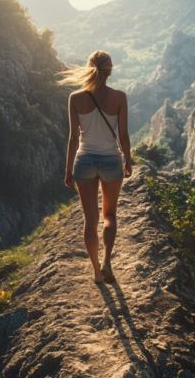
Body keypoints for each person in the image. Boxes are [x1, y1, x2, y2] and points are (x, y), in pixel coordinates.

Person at [58, 50, 132, 284]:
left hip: (85, 161)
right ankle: (107, 262)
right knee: (109, 215)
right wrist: (128, 160)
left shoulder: (75, 98)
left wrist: (68, 170)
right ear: (109, 71)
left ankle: (96, 272)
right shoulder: (120, 97)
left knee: (90, 218)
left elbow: (72, 138)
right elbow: (124, 135)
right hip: (111, 160)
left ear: (90, 68)